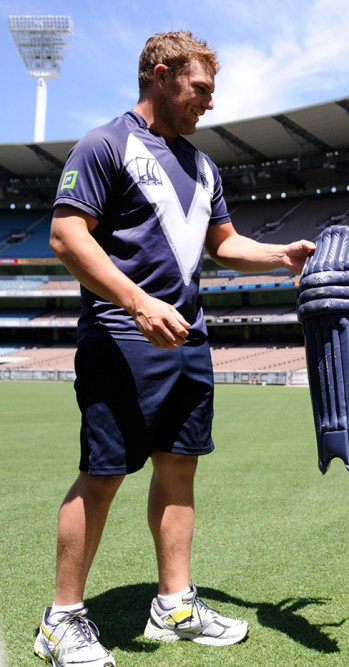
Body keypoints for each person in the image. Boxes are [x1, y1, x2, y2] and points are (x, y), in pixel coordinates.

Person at [33, 31, 315, 666]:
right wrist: (137, 302)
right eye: (200, 89)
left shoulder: (203, 165)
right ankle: (62, 619)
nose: (208, 104)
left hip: (190, 339)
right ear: (161, 75)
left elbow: (223, 243)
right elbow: (65, 235)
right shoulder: (104, 144)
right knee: (103, 475)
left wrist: (280, 254)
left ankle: (175, 604)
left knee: (180, 470)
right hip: (120, 334)